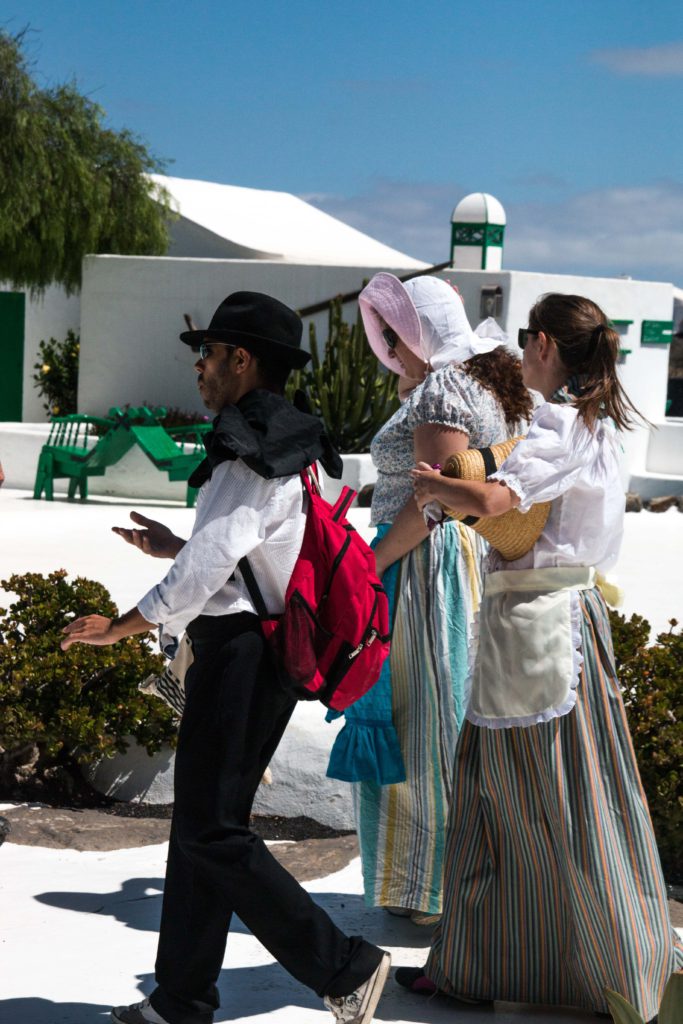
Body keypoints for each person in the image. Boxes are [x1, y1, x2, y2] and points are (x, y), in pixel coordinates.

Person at [60, 292, 391, 1024]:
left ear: (242, 360)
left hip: (242, 658)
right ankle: (181, 999)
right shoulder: (278, 442)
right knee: (204, 829)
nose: (201, 368)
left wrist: (117, 627)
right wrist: (176, 548)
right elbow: (244, 553)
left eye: (207, 355)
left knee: (213, 831)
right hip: (252, 651)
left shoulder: (251, 450)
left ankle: (343, 966)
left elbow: (210, 566)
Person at [409, 293, 683, 1020]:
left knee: (526, 798)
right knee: (558, 797)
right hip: (556, 620)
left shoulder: (558, 425)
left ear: (539, 344)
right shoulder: (597, 427)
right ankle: (491, 964)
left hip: (537, 622)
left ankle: (603, 969)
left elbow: (497, 504)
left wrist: (439, 490)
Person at [326, 273, 533, 925]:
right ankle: (435, 883)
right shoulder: (478, 381)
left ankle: (424, 888)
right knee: (436, 716)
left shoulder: (444, 386)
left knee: (419, 723)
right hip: (452, 562)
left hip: (418, 562)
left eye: (396, 331)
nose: (387, 343)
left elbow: (432, 501)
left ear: (421, 330)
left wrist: (366, 564)